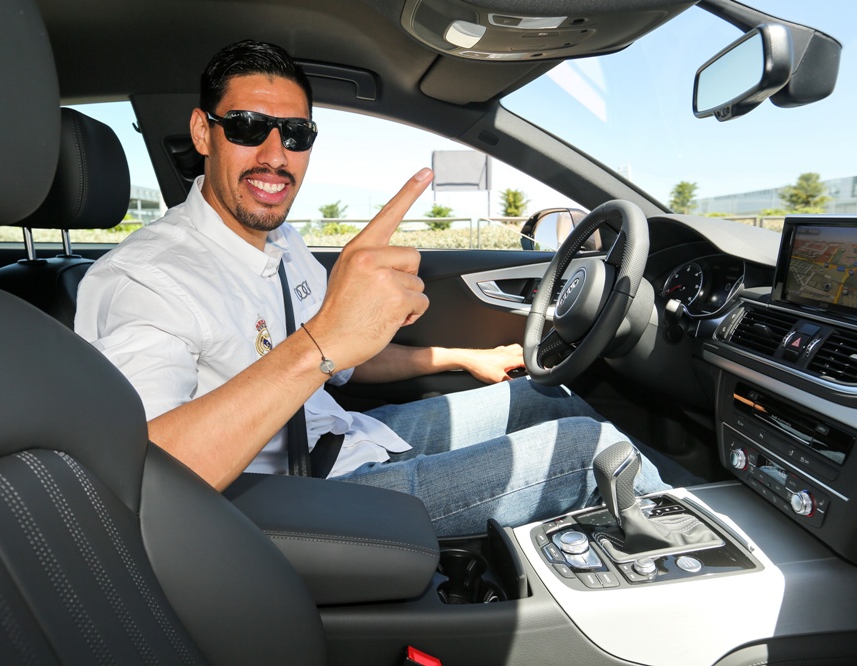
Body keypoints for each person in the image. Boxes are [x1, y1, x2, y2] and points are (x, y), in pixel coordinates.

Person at [75, 40, 669, 536]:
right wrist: (315, 344)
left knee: (544, 397)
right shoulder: (146, 278)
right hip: (285, 502)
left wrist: (464, 356)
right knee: (592, 449)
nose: (275, 156)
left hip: (345, 441)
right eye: (249, 127)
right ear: (203, 133)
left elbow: (345, 361)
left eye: (296, 134)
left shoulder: (282, 242)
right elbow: (145, 472)